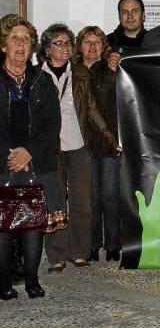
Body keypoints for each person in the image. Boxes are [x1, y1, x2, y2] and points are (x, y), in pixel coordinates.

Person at [38, 23, 117, 273]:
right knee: (55, 201)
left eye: (68, 43)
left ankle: (80, 251)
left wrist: (110, 137)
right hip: (50, 148)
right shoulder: (37, 74)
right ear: (47, 48)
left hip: (79, 144)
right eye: (58, 43)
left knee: (82, 200)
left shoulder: (80, 73)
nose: (64, 47)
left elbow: (92, 109)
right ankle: (56, 254)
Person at [0, 15, 61, 300]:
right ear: (3, 45)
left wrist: (29, 152)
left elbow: (52, 125)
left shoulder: (42, 80)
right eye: (14, 38)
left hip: (36, 162)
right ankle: (3, 283)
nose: (21, 44)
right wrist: (11, 155)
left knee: (32, 224)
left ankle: (32, 281)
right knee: (3, 227)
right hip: (3, 162)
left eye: (26, 39)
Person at [76, 27, 121, 262]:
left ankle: (113, 244)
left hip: (110, 143)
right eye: (87, 42)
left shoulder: (112, 69)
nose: (92, 46)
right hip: (83, 144)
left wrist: (114, 72)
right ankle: (91, 244)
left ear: (104, 46)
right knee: (90, 198)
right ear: (79, 46)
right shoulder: (73, 72)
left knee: (111, 196)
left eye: (97, 42)